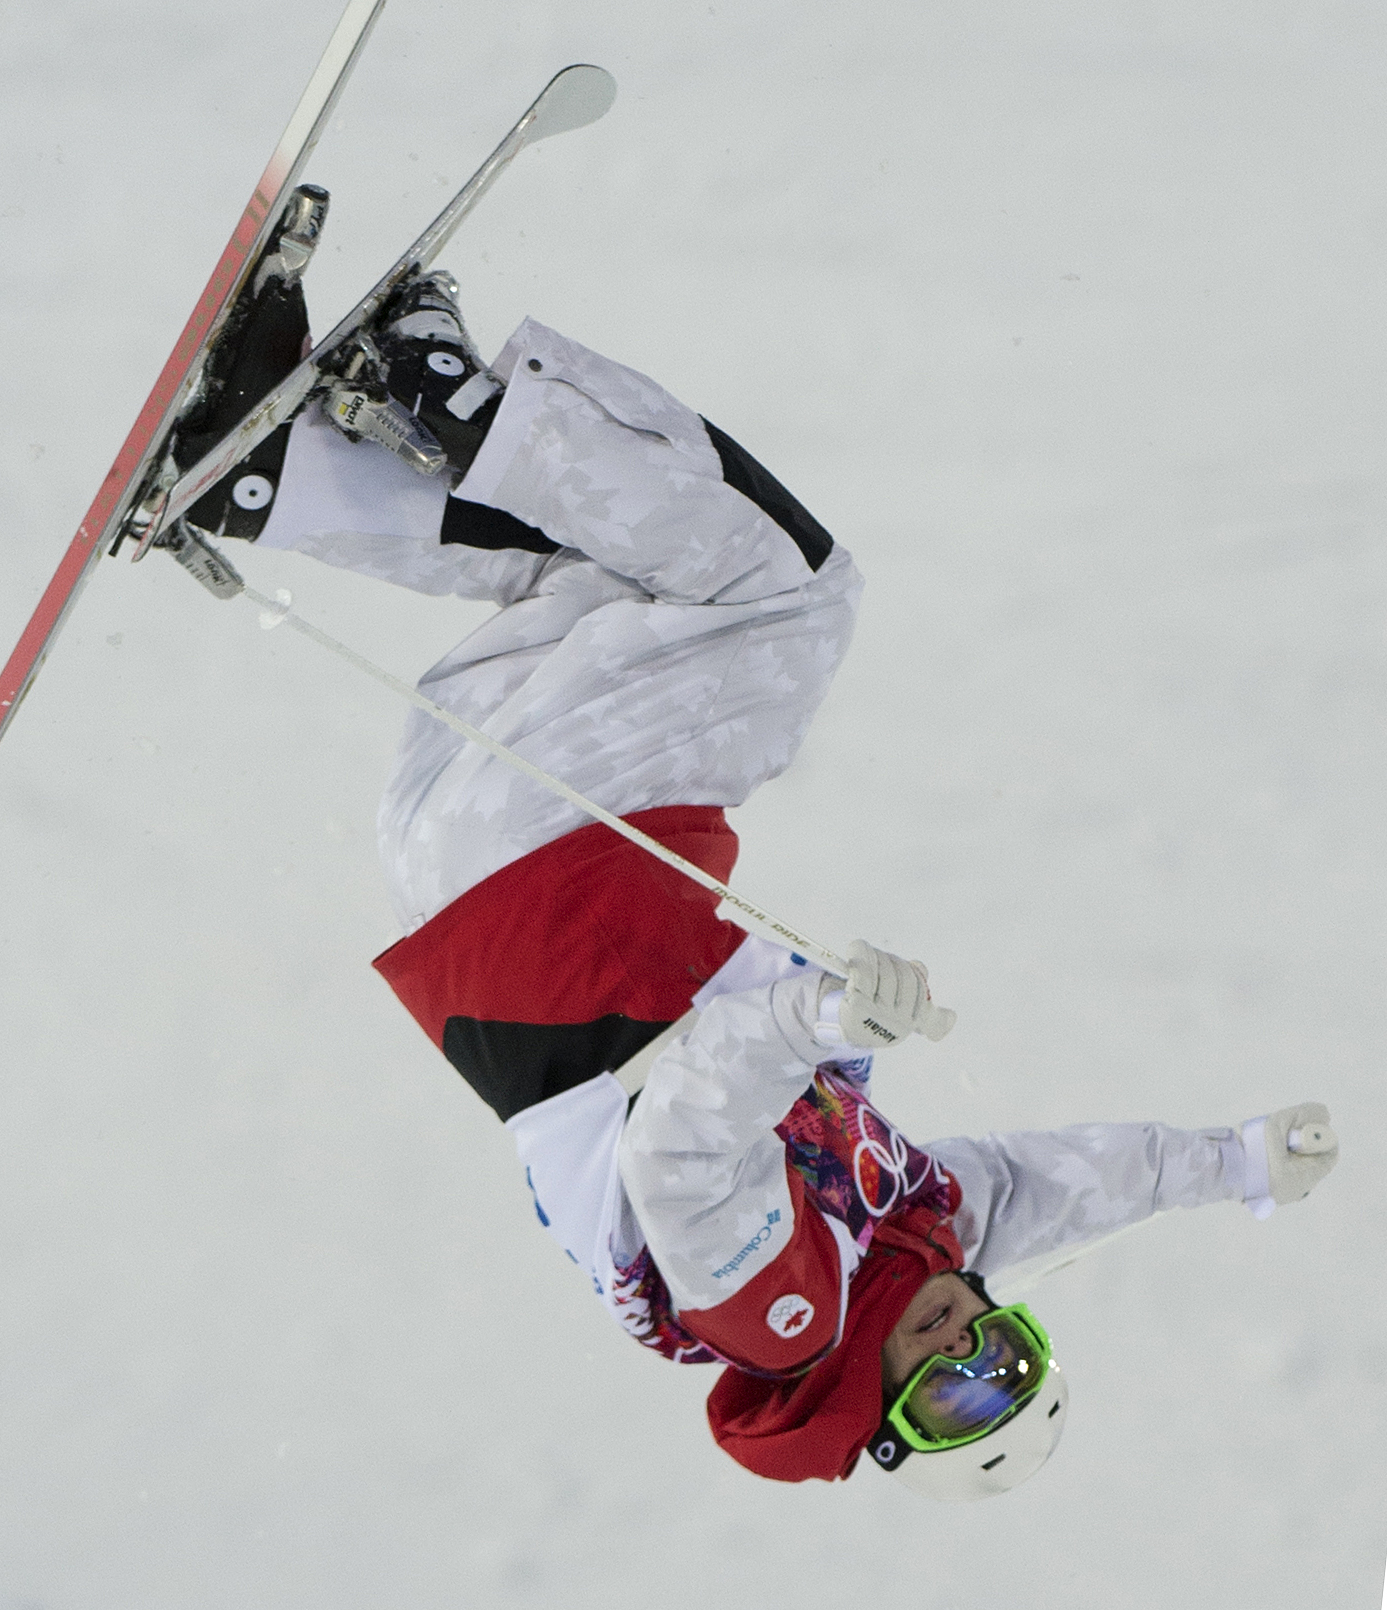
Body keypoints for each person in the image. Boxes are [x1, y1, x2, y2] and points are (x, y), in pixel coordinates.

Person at [167, 190, 1341, 1499]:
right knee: (620, 575)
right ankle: (262, 475)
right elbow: (1053, 1187)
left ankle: (448, 393)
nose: (962, 1347)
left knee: (784, 590)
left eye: (953, 1397)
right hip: (517, 868)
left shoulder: (781, 1317)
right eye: (1004, 1354)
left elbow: (681, 1144)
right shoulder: (909, 1230)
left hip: (561, 898)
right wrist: (1231, 1163)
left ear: (878, 1419)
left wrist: (814, 1018)